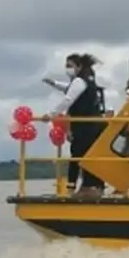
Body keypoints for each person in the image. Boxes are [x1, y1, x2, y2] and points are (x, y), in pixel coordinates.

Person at [41, 53, 107, 198]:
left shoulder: (79, 81)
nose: (68, 69)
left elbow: (68, 98)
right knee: (87, 156)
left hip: (85, 125)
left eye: (70, 66)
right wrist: (54, 83)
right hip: (92, 124)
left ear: (79, 66)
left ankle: (80, 187)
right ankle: (93, 186)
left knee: (78, 156)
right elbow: (69, 89)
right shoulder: (88, 79)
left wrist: (51, 114)